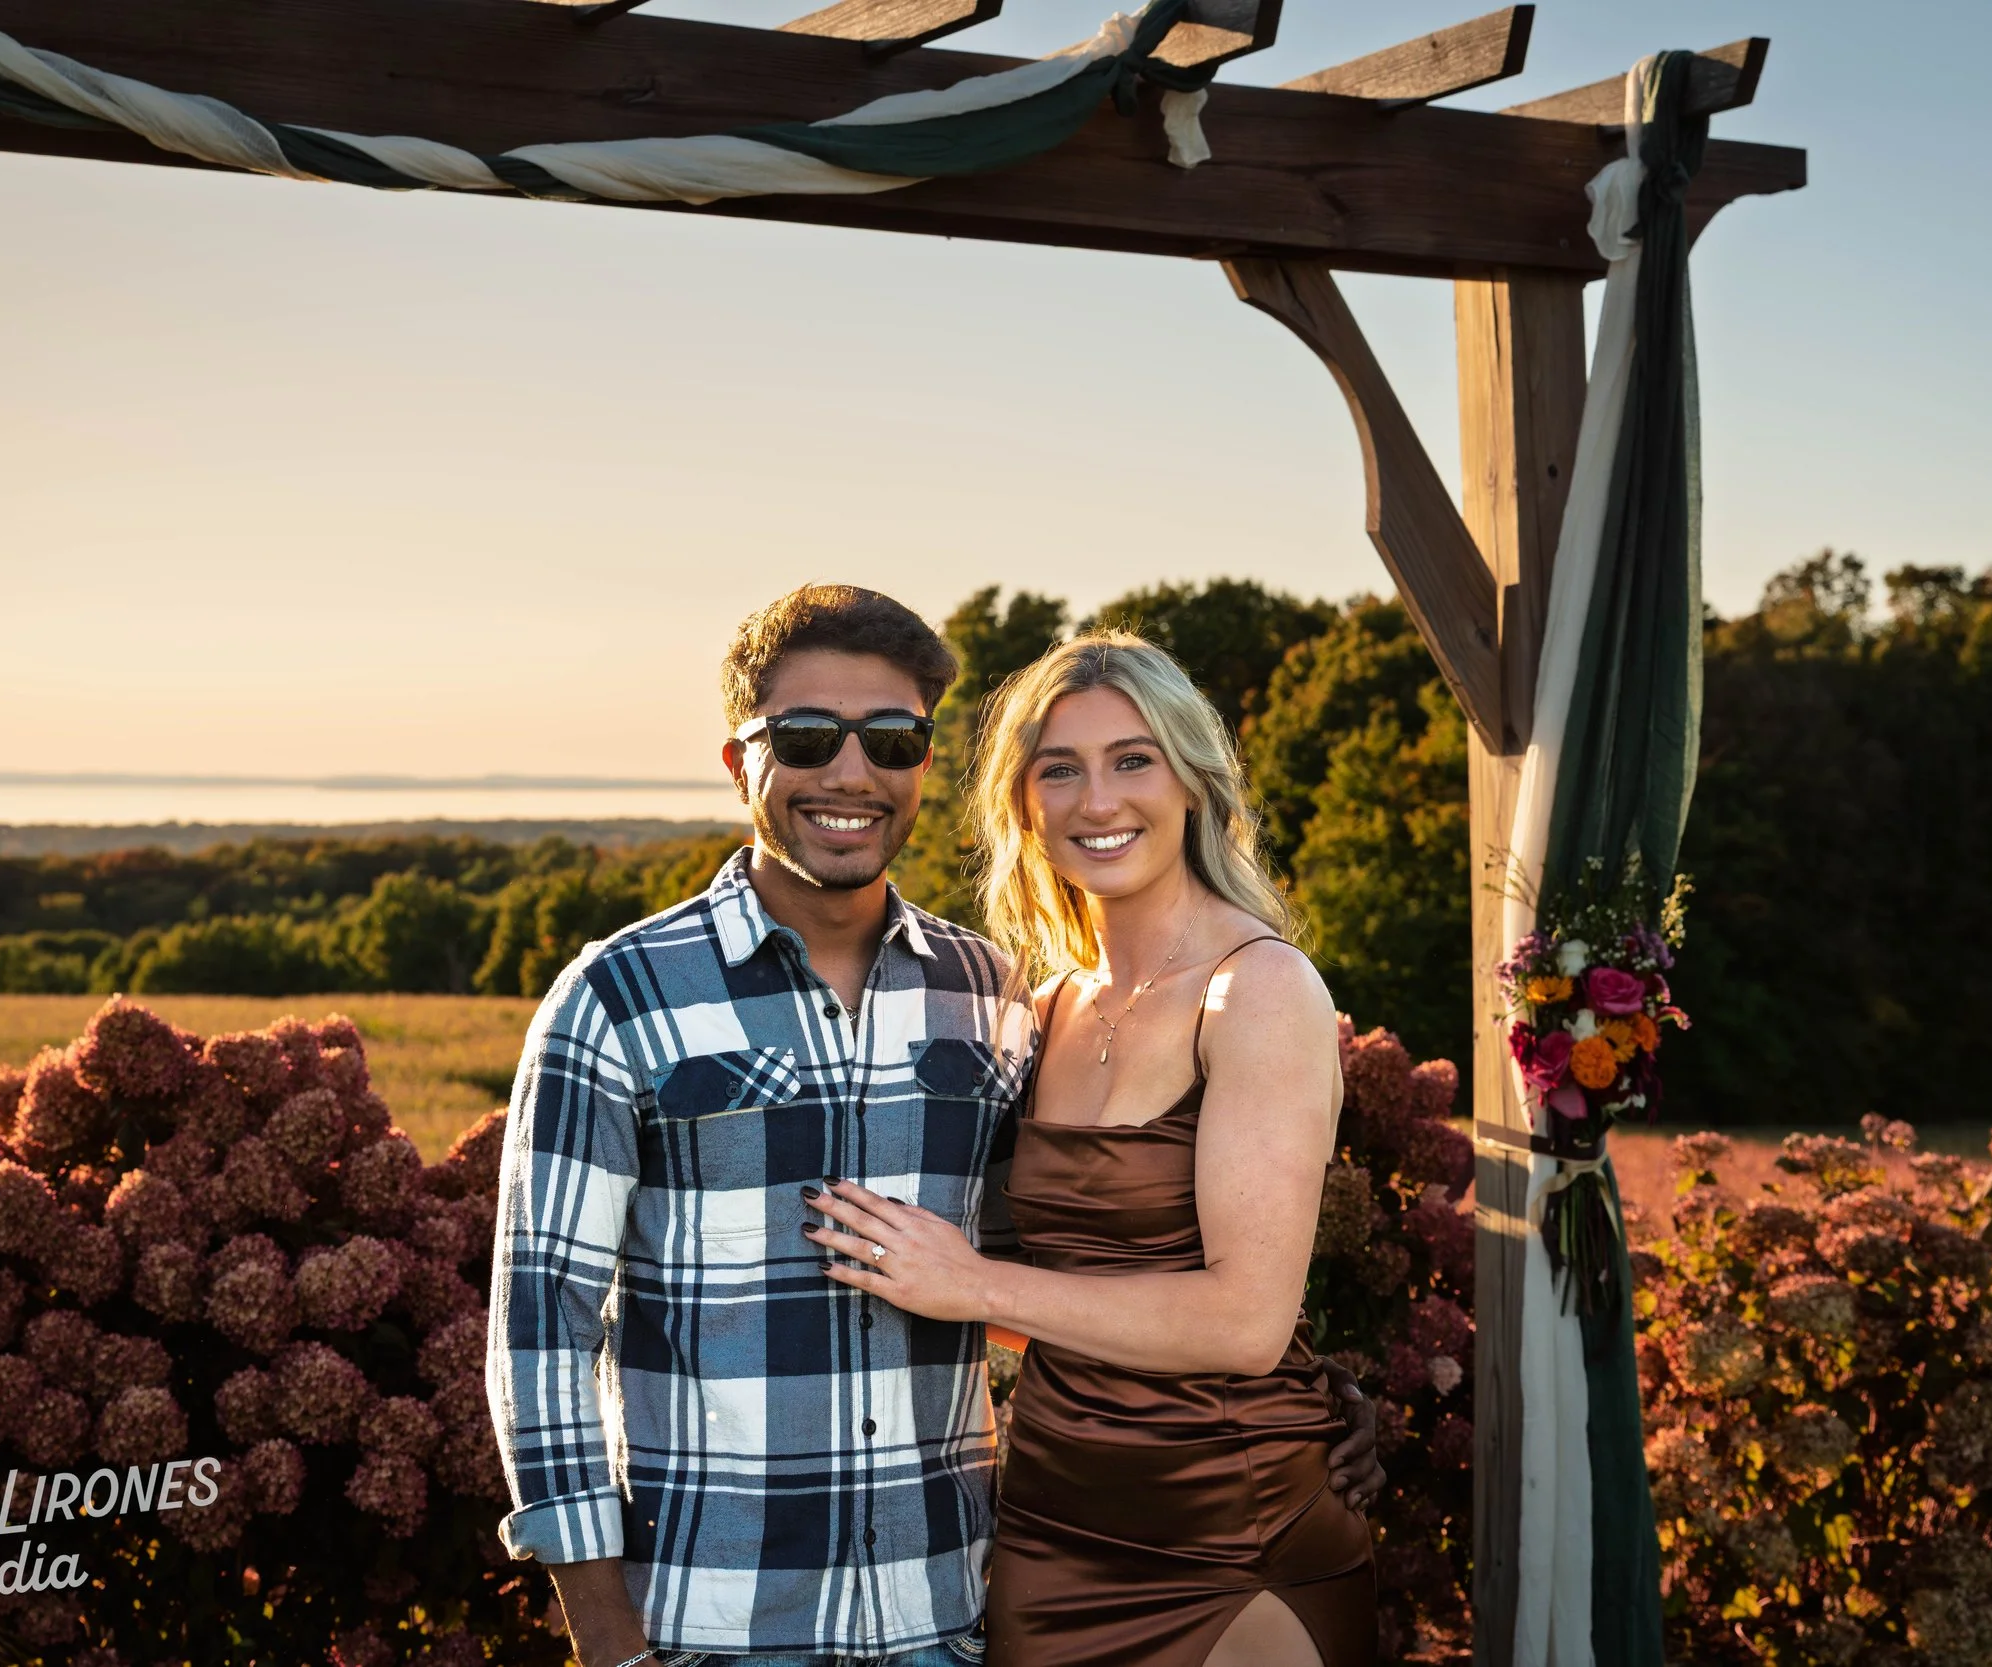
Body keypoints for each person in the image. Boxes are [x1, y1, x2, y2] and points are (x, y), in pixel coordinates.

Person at [488, 589, 1379, 1667]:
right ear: (739, 761)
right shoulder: (621, 998)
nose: (850, 773)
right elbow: (540, 1331)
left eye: (891, 739)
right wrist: (608, 1639)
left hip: (947, 1609)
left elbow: (1016, 1278)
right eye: (805, 737)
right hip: (722, 1622)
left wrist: (1297, 1392)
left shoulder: (984, 997)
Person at [801, 632, 1375, 1667]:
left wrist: (974, 1284)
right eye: (1058, 768)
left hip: (1227, 1528)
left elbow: (1247, 1322)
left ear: (1192, 780)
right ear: (1023, 803)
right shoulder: (1047, 1005)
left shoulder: (1258, 988)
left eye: (1132, 759)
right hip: (1051, 1525)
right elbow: (1064, 1288)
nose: (1097, 799)